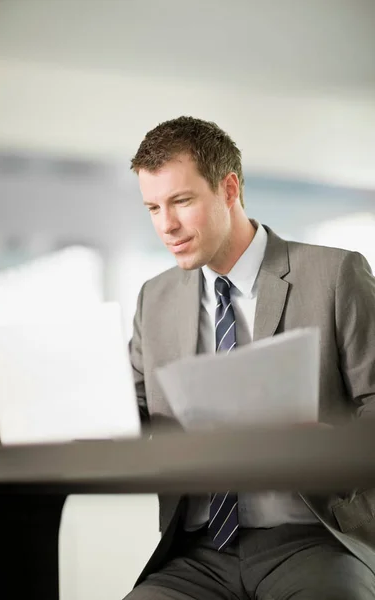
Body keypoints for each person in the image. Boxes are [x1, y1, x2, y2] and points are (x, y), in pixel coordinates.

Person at [124, 116, 375, 599]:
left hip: (315, 539)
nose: (166, 225)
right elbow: (132, 410)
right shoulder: (154, 299)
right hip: (198, 553)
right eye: (152, 207)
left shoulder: (336, 274)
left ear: (229, 189)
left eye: (181, 201)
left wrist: (329, 447)